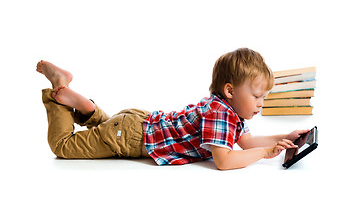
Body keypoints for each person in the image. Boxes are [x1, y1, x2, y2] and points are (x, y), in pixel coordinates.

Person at [37, 48, 308, 170]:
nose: (261, 103)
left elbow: (246, 141)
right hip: (131, 136)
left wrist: (284, 138)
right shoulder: (220, 114)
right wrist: (264, 154)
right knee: (63, 145)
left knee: (106, 131)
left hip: (134, 125)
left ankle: (86, 107)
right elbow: (224, 161)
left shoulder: (224, 109)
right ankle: (58, 88)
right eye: (258, 96)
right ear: (230, 91)